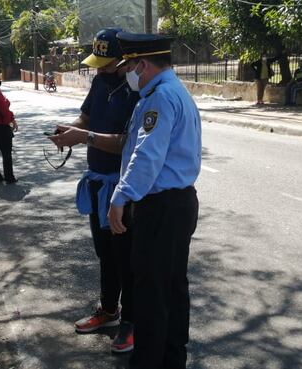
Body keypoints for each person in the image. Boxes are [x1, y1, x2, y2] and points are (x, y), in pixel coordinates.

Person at [109, 32, 202, 369]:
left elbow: (147, 156)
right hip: (178, 205)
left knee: (151, 294)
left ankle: (149, 362)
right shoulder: (175, 92)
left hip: (161, 207)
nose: (127, 74)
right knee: (173, 288)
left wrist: (121, 196)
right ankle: (172, 359)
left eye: (129, 66)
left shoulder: (160, 98)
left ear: (143, 64)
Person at [48, 28, 139, 354]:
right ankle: (109, 309)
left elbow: (128, 146)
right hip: (97, 180)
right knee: (105, 253)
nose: (100, 69)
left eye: (106, 64)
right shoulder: (100, 83)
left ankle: (131, 320)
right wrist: (70, 130)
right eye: (97, 63)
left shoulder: (137, 93)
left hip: (123, 186)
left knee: (126, 257)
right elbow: (86, 118)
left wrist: (82, 137)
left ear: (125, 60)